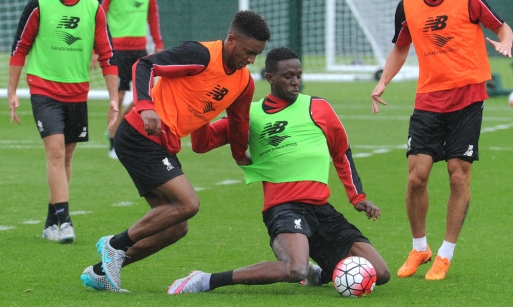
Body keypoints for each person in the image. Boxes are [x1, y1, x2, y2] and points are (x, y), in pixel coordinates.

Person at [167, 47, 390, 295]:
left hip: (321, 211)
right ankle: (206, 280)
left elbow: (342, 152)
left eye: (298, 75)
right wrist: (203, 106)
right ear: (270, 77)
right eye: (288, 76)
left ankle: (322, 271)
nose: (295, 82)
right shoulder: (250, 115)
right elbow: (202, 143)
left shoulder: (318, 107)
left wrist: (357, 197)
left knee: (380, 273)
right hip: (284, 208)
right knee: (295, 269)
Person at [80, 10, 271, 292]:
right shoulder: (202, 54)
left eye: (257, 55)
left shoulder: (244, 83)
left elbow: (238, 123)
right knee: (188, 204)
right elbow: (145, 65)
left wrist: (240, 154)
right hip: (138, 134)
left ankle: (100, 272)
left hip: (162, 144)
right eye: (249, 51)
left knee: (176, 227)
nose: (251, 60)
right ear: (231, 39)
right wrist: (146, 106)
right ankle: (114, 245)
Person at [371, 0, 513, 280]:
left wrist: (505, 43)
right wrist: (383, 81)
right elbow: (401, 46)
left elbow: (502, 28)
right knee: (416, 177)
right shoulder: (407, 6)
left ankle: (445, 255)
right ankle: (419, 248)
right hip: (428, 98)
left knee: (458, 175)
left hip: (468, 96)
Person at [8, 0, 118, 244]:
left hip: (77, 95)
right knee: (56, 153)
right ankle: (66, 221)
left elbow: (107, 55)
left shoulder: (94, 8)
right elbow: (20, 48)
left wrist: (113, 99)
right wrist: (12, 91)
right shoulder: (39, 5)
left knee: (67, 157)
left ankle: (50, 224)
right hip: (43, 91)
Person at [99, 0, 165, 159]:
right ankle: (113, 143)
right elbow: (100, 16)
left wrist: (158, 42)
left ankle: (117, 128)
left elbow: (152, 17)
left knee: (143, 97)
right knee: (118, 96)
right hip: (116, 49)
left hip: (139, 50)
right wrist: (99, 47)